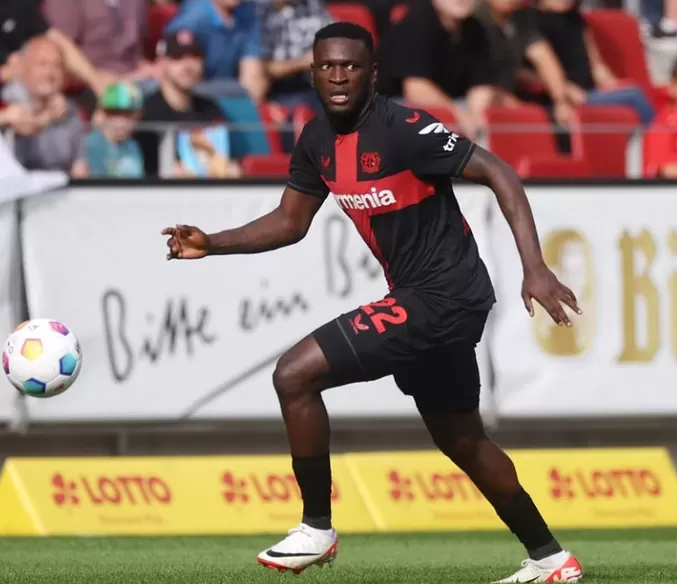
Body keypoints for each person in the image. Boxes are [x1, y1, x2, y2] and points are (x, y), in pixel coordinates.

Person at [161, 22, 584, 584]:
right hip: (427, 299)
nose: (338, 76)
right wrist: (212, 243)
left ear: (373, 74)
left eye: (351, 66)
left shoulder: (405, 130)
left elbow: (499, 172)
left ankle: (316, 528)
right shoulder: (316, 140)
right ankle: (551, 558)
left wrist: (535, 267)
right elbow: (290, 222)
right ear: (313, 73)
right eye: (327, 66)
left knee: (294, 374)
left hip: (443, 296)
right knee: (462, 439)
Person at [376, 0, 499, 140]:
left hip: (453, 105)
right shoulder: (415, 24)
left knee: (487, 125)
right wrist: (459, 115)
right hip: (394, 109)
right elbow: (416, 89)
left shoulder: (476, 28)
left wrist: (475, 118)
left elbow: (481, 85)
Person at [135, 31, 239, 178]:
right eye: (178, 57)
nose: (188, 66)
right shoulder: (147, 113)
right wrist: (163, 173)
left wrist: (231, 168)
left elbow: (225, 157)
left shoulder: (210, 109)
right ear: (162, 63)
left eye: (195, 57)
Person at [2, 36, 88, 176]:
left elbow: (79, 167)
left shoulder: (70, 111)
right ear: (22, 67)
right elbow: (26, 126)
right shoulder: (6, 101)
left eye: (56, 66)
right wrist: (48, 117)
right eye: (42, 64)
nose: (49, 73)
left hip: (60, 186)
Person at [85, 82, 145, 178]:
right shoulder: (91, 144)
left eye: (128, 114)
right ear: (102, 114)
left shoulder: (132, 146)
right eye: (114, 113)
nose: (122, 122)